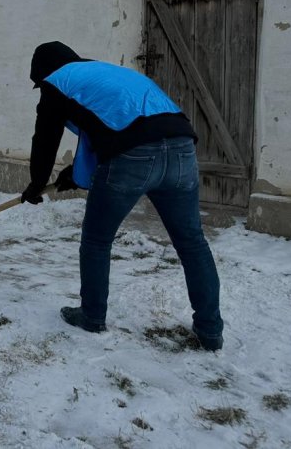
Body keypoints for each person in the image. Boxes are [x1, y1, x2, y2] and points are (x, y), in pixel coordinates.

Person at [21, 41, 224, 351]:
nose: (41, 89)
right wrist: (74, 175)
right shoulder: (103, 74)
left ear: (44, 74)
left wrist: (36, 183)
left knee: (97, 240)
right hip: (181, 147)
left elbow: (46, 138)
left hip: (133, 156)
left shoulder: (56, 83)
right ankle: (210, 331)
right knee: (192, 242)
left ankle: (91, 315)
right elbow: (104, 130)